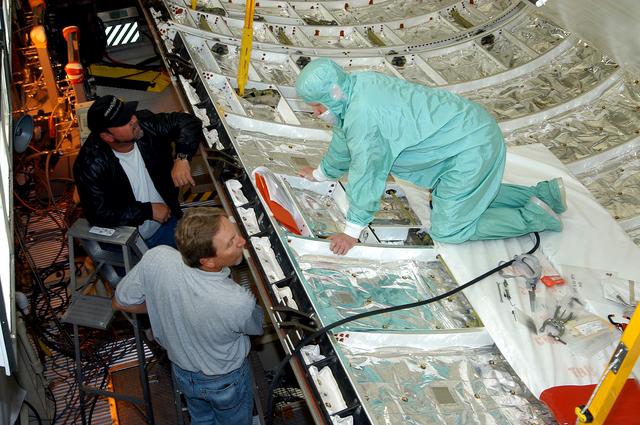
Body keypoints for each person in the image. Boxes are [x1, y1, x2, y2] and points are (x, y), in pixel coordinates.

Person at [295, 58, 567, 255]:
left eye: (318, 106)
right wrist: (322, 173)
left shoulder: (363, 116)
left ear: (333, 94)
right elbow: (344, 138)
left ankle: (536, 217)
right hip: (468, 129)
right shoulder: (358, 85)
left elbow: (368, 171)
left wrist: (352, 230)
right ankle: (547, 195)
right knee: (469, 195)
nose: (317, 113)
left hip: (469, 148)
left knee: (449, 229)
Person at [112, 207, 263, 425]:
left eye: (235, 233)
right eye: (231, 243)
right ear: (208, 261)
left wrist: (160, 304)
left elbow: (120, 301)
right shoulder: (238, 301)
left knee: (201, 419)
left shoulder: (157, 256)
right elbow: (255, 329)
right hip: (226, 380)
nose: (242, 241)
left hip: (183, 373)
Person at [73, 95, 203, 248]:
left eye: (129, 113)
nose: (133, 120)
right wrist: (147, 211)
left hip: (167, 226)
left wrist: (182, 157)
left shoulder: (146, 124)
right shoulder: (89, 165)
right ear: (107, 136)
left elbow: (189, 121)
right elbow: (98, 214)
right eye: (124, 121)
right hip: (127, 244)